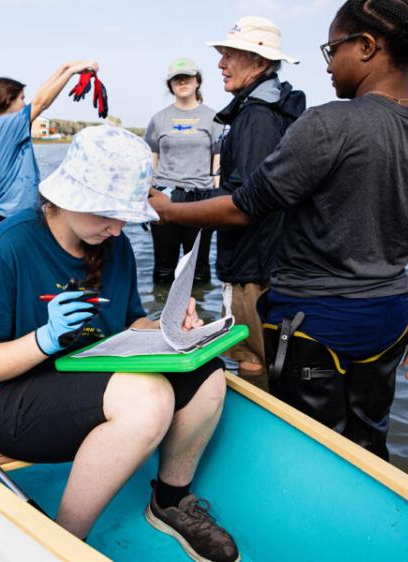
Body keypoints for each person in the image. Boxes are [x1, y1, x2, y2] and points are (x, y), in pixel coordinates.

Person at [0, 126, 240, 562]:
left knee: (207, 372)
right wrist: (44, 339)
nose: (116, 228)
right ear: (69, 196)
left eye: (124, 217)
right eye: (106, 214)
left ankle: (169, 499)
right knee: (148, 398)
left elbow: (129, 325)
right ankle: (63, 542)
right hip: (11, 404)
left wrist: (174, 328)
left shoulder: (114, 243)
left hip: (91, 383)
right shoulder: (6, 249)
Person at [149, 0, 408, 460]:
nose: (327, 66)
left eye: (333, 50)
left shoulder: (333, 122)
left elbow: (248, 206)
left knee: (306, 446)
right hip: (390, 317)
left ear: (367, 46)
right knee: (370, 441)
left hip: (317, 323)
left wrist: (169, 211)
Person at [205, 16, 305, 377]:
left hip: (251, 265)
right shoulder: (279, 109)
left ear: (260, 62)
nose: (220, 64)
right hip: (274, 261)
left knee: (249, 359)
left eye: (230, 54)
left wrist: (174, 211)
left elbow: (244, 202)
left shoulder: (256, 117)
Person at [0, 60, 99, 231]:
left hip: (15, 217)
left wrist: (65, 68)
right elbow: (41, 102)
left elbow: (40, 97)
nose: (24, 104)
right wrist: (71, 72)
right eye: (22, 98)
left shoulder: (2, 126)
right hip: (12, 219)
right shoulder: (7, 125)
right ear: (8, 100)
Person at [145, 58, 222, 286]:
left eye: (187, 77)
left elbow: (218, 160)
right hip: (164, 196)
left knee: (198, 268)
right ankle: (159, 315)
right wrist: (147, 195)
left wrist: (216, 195)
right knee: (163, 267)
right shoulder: (159, 119)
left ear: (197, 81)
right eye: (177, 79)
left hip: (200, 197)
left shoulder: (214, 117)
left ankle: (199, 317)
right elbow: (151, 160)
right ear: (170, 85)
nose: (182, 82)